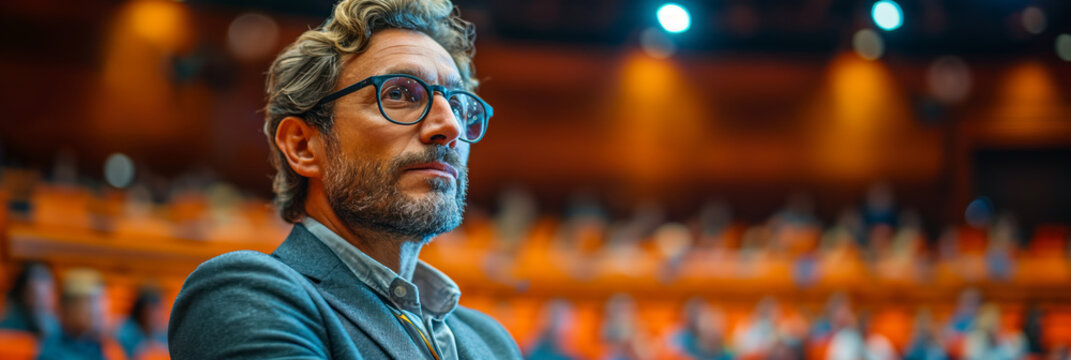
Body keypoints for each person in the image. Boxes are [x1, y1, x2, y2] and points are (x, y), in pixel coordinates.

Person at [167, 0, 519, 359]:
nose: (450, 126)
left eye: (458, 105)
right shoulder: (243, 295)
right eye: (398, 94)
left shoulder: (491, 341)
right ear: (303, 146)